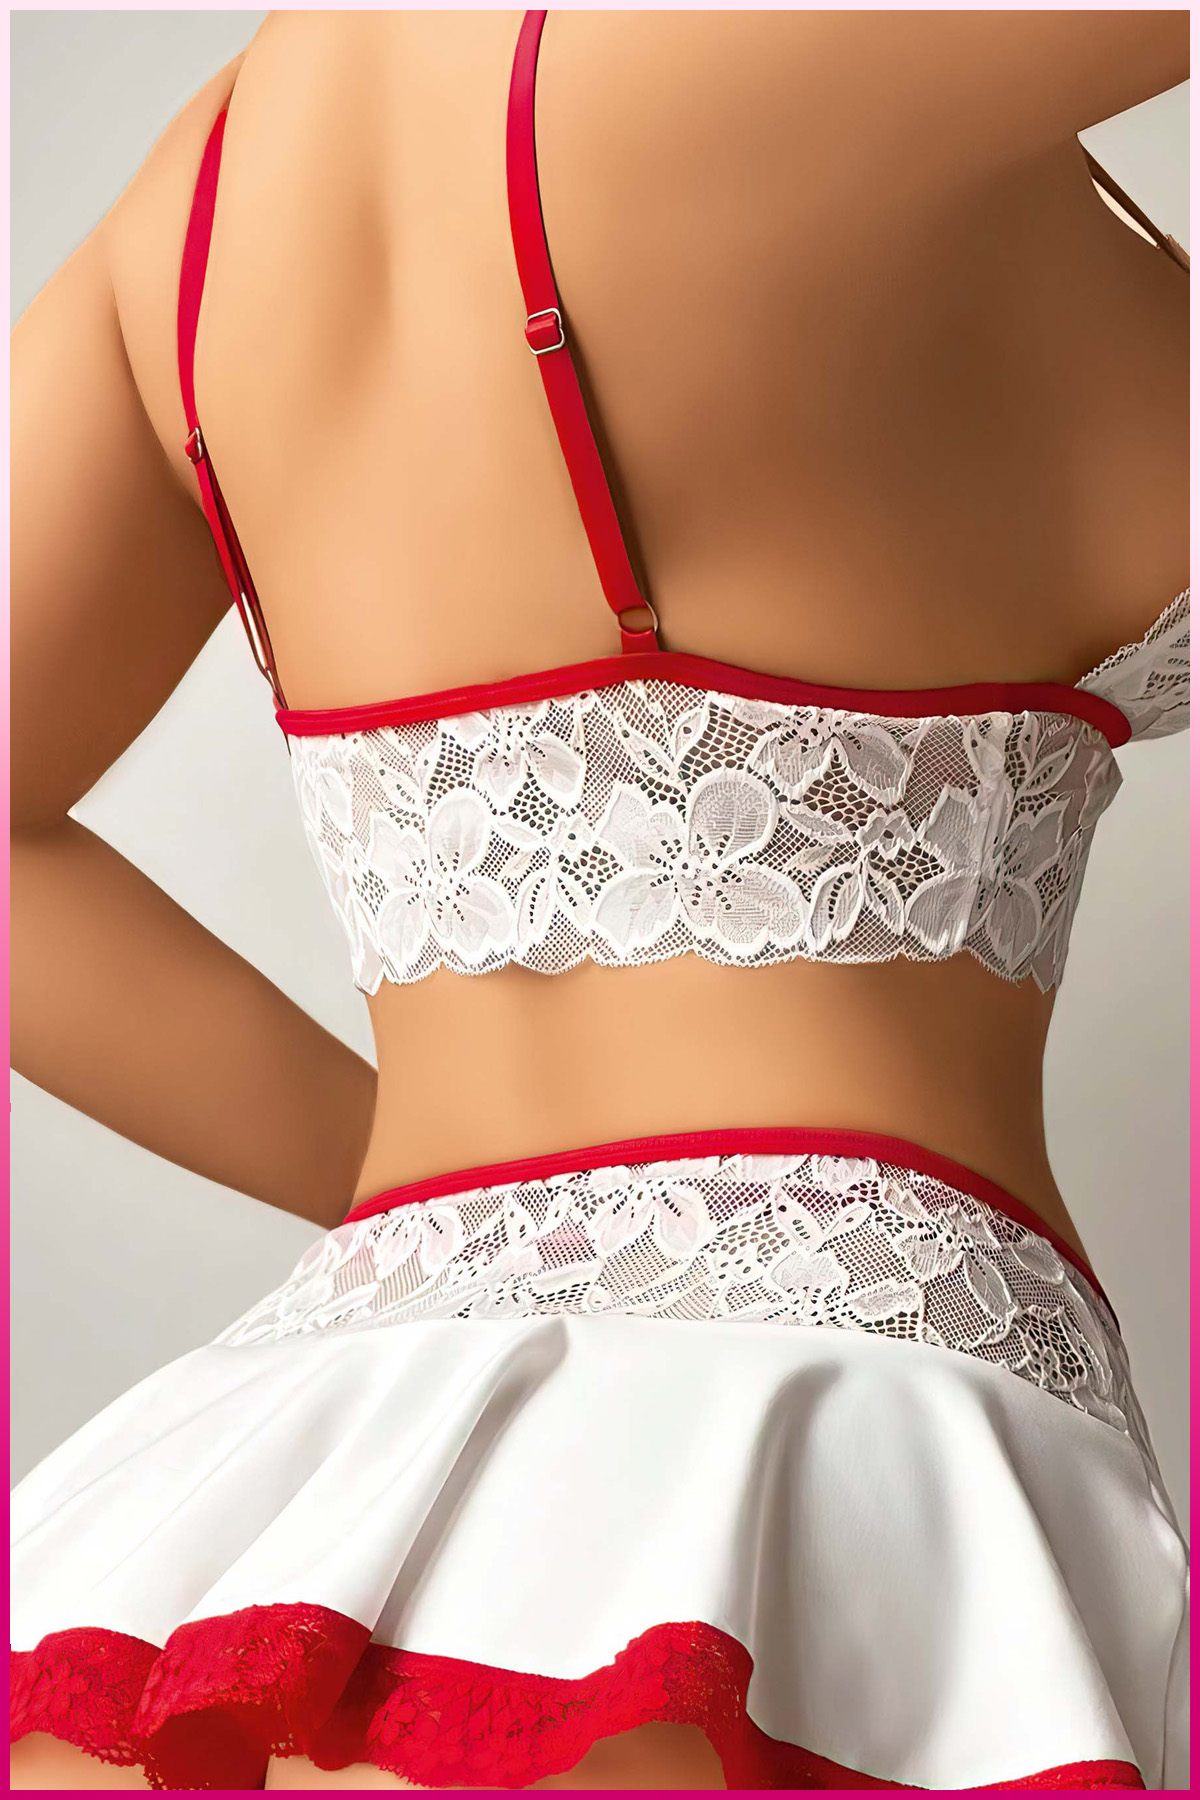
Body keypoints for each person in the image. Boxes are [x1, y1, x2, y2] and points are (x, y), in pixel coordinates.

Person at [10, 9, 1190, 1791]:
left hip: (230, 1528)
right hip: (822, 1493)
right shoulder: (754, 48)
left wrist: (432, 1192)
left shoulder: (199, 193)